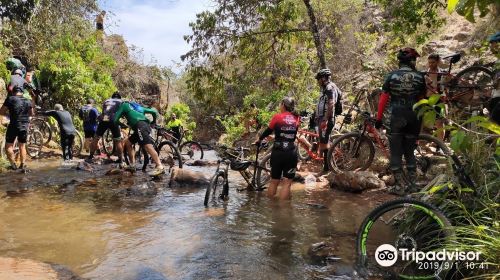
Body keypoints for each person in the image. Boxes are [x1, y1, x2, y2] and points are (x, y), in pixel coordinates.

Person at [375, 48, 426, 195]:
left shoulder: (391, 76)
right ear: (412, 61)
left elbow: (383, 98)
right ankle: (412, 185)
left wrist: (379, 118)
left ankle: (398, 187)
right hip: (414, 116)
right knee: (410, 151)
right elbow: (422, 100)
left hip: (396, 116)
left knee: (396, 152)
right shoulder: (419, 76)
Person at [255, 97, 300, 200]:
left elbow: (267, 131)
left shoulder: (277, 117)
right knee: (287, 182)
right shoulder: (297, 118)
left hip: (278, 152)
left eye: (280, 104)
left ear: (283, 105)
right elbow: (290, 134)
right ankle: (283, 212)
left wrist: (259, 139)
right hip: (290, 152)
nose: (279, 106)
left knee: (274, 181)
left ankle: (272, 209)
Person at [113, 101, 164, 174]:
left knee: (147, 146)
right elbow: (153, 111)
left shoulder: (124, 105)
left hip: (140, 126)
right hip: (143, 126)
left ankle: (160, 166)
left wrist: (122, 124)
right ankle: (132, 165)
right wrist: (153, 122)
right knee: (128, 143)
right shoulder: (139, 108)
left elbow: (115, 119)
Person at [0, 80, 34, 170]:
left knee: (8, 146)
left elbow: (1, 111)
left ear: (13, 92)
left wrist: (8, 113)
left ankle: (13, 165)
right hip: (24, 126)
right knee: (22, 145)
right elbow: (31, 113)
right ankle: (23, 164)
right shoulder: (27, 101)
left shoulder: (10, 99)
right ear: (22, 92)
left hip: (14, 125)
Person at [314, 68, 341, 174]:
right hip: (323, 118)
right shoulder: (326, 88)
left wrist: (325, 119)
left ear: (324, 78)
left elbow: (331, 104)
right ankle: (328, 167)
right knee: (324, 143)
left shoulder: (330, 88)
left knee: (325, 144)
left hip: (327, 119)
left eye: (319, 79)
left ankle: (327, 168)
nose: (318, 81)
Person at [88, 92, 123, 164]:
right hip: (113, 119)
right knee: (118, 140)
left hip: (105, 118)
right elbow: (122, 113)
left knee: (96, 138)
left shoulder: (106, 101)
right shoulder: (121, 102)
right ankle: (120, 160)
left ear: (112, 97)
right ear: (119, 97)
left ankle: (90, 157)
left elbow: (104, 112)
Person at [424, 53, 447, 140]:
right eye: (429, 62)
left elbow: (446, 88)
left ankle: (440, 145)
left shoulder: (442, 73)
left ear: (438, 62)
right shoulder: (425, 74)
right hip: (426, 100)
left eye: (433, 62)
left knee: (439, 123)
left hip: (439, 100)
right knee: (424, 122)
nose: (431, 64)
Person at [488, 32, 500, 125]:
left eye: (492, 43)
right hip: (495, 97)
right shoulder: (497, 61)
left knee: (494, 121)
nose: (490, 47)